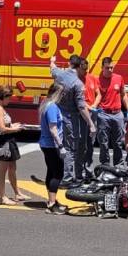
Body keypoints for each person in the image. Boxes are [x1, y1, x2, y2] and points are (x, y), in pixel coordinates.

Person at [50, 54, 95, 187]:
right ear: (80, 66)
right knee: (69, 148)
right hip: (70, 117)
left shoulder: (59, 74)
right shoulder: (77, 83)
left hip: (57, 114)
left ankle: (59, 173)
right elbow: (81, 106)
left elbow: (52, 68)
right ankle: (68, 178)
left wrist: (52, 60)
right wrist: (91, 124)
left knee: (59, 144)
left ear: (69, 63)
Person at [0, 85, 30, 206]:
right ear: (3, 97)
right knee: (2, 170)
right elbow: (1, 128)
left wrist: (13, 125)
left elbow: (4, 124)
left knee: (12, 167)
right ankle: (2, 197)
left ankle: (17, 193)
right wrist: (15, 129)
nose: (10, 100)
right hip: (2, 141)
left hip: (8, 140)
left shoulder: (1, 106)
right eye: (9, 98)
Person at [37, 83, 68, 215]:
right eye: (61, 94)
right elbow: (53, 129)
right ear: (56, 94)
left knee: (51, 171)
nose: (62, 97)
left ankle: (52, 200)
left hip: (46, 144)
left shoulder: (46, 104)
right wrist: (60, 146)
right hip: (52, 145)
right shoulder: (52, 107)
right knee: (58, 173)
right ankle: (51, 204)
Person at [97, 57, 128, 167]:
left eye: (112, 68)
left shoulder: (118, 78)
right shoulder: (97, 79)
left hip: (117, 114)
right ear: (102, 67)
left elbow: (123, 94)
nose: (110, 70)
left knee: (118, 142)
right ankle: (105, 165)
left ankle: (118, 165)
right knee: (104, 142)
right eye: (107, 68)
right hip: (103, 114)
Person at [77, 58, 101, 179]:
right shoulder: (76, 79)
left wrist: (94, 105)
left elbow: (98, 94)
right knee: (81, 144)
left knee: (90, 143)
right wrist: (89, 107)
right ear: (79, 67)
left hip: (92, 112)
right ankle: (79, 171)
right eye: (83, 69)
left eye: (86, 69)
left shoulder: (91, 77)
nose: (85, 71)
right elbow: (78, 100)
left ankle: (88, 170)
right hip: (82, 114)